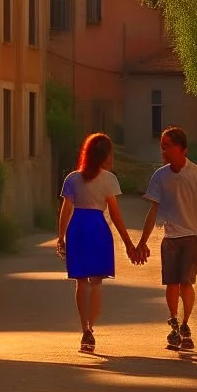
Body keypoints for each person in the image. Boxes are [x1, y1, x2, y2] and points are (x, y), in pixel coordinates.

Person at [57, 132, 139, 354]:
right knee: (97, 284)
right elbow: (116, 215)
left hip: (78, 229)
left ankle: (84, 328)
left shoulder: (72, 178)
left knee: (81, 282)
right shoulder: (109, 180)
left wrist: (61, 236)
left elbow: (66, 211)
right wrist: (128, 243)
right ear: (105, 156)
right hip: (98, 229)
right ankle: (91, 328)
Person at [136, 126, 197, 351]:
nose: (163, 151)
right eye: (162, 147)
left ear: (181, 149)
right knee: (171, 283)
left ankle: (186, 324)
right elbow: (153, 211)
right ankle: (174, 323)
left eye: (167, 146)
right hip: (170, 237)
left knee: (186, 283)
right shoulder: (160, 176)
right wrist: (142, 242)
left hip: (192, 237)